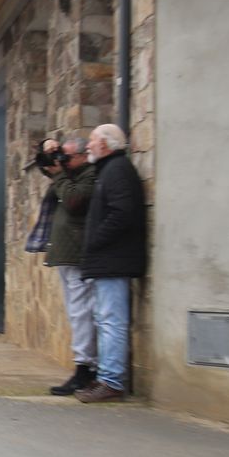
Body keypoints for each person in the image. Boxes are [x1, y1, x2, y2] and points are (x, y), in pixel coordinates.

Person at [75, 124, 147, 404]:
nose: (88, 146)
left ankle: (111, 380)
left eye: (92, 141)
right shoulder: (110, 170)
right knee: (105, 319)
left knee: (111, 321)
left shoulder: (117, 170)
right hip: (109, 259)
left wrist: (94, 240)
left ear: (106, 144)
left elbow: (122, 214)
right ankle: (106, 377)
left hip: (113, 259)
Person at [42, 137, 100, 396]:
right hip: (67, 253)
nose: (61, 163)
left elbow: (75, 201)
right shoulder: (71, 175)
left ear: (81, 155)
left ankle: (85, 368)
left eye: (66, 157)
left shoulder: (90, 175)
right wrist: (47, 146)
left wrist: (59, 176)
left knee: (82, 313)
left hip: (78, 254)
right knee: (77, 312)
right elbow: (43, 165)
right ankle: (85, 366)